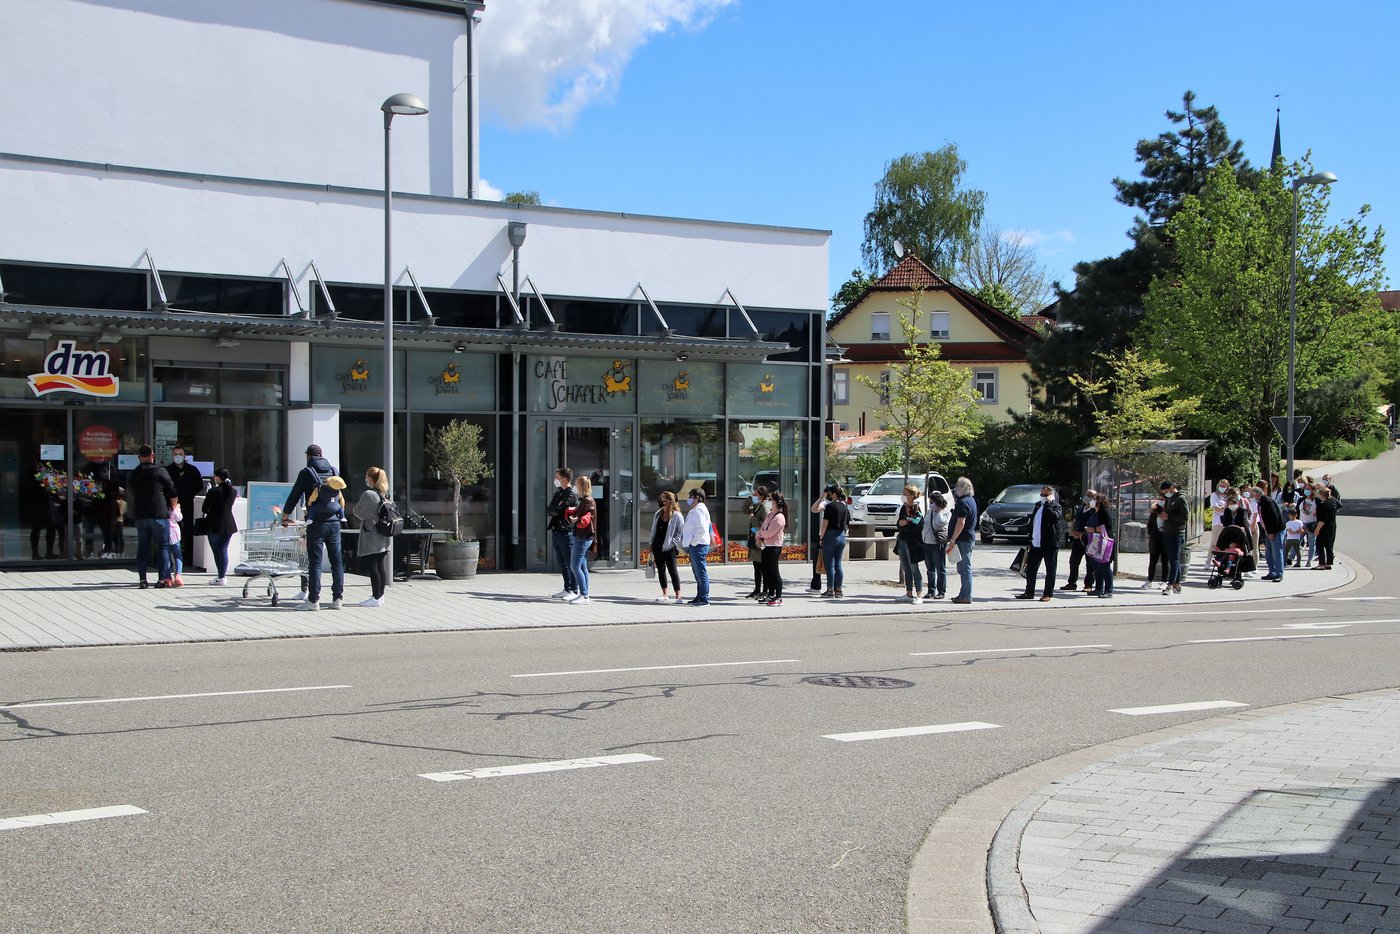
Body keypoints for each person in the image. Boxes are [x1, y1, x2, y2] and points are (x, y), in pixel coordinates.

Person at [282, 444, 346, 611]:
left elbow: (294, 495)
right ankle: (338, 599)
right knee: (337, 562)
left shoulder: (306, 473)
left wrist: (285, 515)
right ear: (321, 455)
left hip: (316, 523)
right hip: (334, 522)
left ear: (308, 456)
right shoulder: (333, 471)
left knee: (315, 563)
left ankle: (313, 601)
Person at [128, 444, 177, 589]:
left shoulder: (135, 473)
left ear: (139, 458)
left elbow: (131, 490)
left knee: (143, 548)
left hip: (141, 516)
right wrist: (174, 507)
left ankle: (143, 579)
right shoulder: (160, 471)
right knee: (162, 546)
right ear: (153, 455)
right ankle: (162, 579)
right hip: (159, 515)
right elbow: (172, 491)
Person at [352, 466, 393, 607]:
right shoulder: (383, 493)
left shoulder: (369, 495)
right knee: (380, 566)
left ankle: (376, 597)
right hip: (383, 535)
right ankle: (380, 596)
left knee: (373, 566)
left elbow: (357, 511)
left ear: (370, 478)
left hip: (372, 535)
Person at [1017, 483, 1061, 601]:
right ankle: (1029, 592)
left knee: (1050, 570)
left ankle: (1047, 594)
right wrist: (1029, 538)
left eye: (1045, 494)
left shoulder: (1056, 506)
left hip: (1049, 544)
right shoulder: (1038, 506)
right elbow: (1033, 523)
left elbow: (1054, 517)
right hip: (1035, 543)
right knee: (1031, 569)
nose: (1043, 496)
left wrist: (1049, 504)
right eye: (1041, 494)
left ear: (1051, 495)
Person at [165, 445, 203, 569]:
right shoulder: (167, 470)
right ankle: (172, 559)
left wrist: (190, 494)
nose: (177, 456)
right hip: (172, 506)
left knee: (188, 530)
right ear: (172, 455)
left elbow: (199, 485)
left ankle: (189, 557)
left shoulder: (192, 470)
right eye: (175, 454)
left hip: (188, 505)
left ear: (185, 456)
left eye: (180, 454)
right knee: (173, 532)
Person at [546, 467, 580, 600]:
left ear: (564, 479)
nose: (556, 480)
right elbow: (550, 509)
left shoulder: (570, 494)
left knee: (570, 562)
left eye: (557, 478)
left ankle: (574, 590)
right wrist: (555, 509)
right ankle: (567, 588)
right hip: (557, 530)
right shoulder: (559, 492)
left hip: (566, 532)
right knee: (562, 562)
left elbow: (559, 510)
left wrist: (555, 509)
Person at [202, 467, 238, 586]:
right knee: (223, 549)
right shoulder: (233, 491)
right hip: (229, 523)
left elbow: (204, 508)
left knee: (217, 550)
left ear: (218, 477)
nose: (214, 478)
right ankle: (222, 576)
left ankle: (221, 576)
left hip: (214, 524)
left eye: (215, 476)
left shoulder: (213, 491)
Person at [945, 477, 978, 604]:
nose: (956, 489)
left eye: (958, 487)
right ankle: (963, 594)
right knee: (963, 568)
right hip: (967, 539)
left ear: (963, 488)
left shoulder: (963, 502)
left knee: (964, 568)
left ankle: (966, 595)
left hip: (963, 540)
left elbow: (961, 523)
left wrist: (953, 538)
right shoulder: (971, 501)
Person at [566, 475, 597, 605]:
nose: (575, 487)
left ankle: (584, 595)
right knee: (582, 566)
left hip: (582, 537)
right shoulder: (586, 500)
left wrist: (575, 518)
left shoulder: (587, 501)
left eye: (577, 484)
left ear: (581, 486)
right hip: (583, 536)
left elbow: (584, 518)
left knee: (575, 566)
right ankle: (584, 594)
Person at [648, 490, 684, 604]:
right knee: (661, 570)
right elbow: (654, 529)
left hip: (669, 547)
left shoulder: (677, 515)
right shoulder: (658, 513)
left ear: (669, 501)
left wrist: (674, 542)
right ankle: (665, 594)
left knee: (673, 571)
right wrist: (651, 544)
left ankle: (678, 596)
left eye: (663, 499)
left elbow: (681, 531)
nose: (660, 501)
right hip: (657, 545)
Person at [1060, 491, 1098, 593]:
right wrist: (1073, 531)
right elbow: (1075, 521)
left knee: (1090, 563)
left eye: (1090, 496)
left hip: (1088, 540)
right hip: (1077, 540)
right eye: (1087, 495)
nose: (1087, 497)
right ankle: (1072, 583)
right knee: (1073, 561)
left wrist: (1083, 534)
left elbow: (1094, 525)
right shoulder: (1081, 509)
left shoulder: (1095, 510)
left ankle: (1088, 584)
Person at [815, 484, 849, 598]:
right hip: (841, 536)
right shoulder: (845, 506)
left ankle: (830, 590)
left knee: (830, 565)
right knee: (838, 565)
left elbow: (825, 524)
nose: (829, 495)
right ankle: (838, 590)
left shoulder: (830, 507)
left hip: (830, 536)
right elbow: (847, 523)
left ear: (834, 494)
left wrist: (821, 537)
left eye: (830, 493)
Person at [680, 488, 712, 606]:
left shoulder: (699, 510)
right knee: (697, 573)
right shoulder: (697, 509)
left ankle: (704, 599)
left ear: (697, 497)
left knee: (701, 572)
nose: (689, 499)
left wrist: (693, 542)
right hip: (696, 544)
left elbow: (702, 528)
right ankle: (699, 597)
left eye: (691, 496)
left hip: (698, 544)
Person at [756, 491, 788, 606]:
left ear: (776, 502)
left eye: (770, 500)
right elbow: (762, 529)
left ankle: (778, 597)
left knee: (774, 572)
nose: (768, 502)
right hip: (766, 546)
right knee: (766, 572)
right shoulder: (770, 515)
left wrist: (759, 535)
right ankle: (770, 594)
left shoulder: (779, 517)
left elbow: (769, 533)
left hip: (774, 547)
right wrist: (759, 535)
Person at [895, 485, 924, 604]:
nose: (903, 496)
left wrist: (906, 523)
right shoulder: (903, 508)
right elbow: (899, 522)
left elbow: (919, 525)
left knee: (914, 568)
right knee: (906, 568)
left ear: (911, 495)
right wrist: (902, 523)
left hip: (913, 542)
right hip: (902, 539)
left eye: (905, 493)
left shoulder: (917, 508)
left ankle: (919, 594)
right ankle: (908, 593)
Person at [1160, 480, 1189, 596]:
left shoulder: (1181, 499)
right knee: (1172, 559)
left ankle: (1170, 585)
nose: (1166, 493)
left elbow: (1185, 516)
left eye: (1166, 491)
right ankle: (1177, 584)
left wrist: (1169, 517)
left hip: (1176, 533)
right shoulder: (1171, 499)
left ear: (1172, 488)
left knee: (1174, 560)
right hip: (1168, 532)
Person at [921, 489, 951, 600]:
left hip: (937, 544)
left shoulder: (946, 512)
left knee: (940, 568)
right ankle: (931, 590)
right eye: (930, 502)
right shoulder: (929, 512)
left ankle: (941, 591)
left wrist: (938, 511)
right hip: (927, 542)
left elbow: (939, 524)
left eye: (932, 502)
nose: (930, 504)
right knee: (930, 569)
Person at [1084, 491, 1114, 598]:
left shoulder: (1104, 512)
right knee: (1096, 566)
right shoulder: (1095, 512)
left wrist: (1094, 529)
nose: (1092, 501)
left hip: (1103, 543)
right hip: (1094, 542)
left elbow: (1108, 525)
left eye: (1094, 499)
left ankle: (1109, 590)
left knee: (1104, 566)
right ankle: (1098, 588)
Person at [1257, 481, 1286, 582]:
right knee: (1268, 553)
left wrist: (1271, 532)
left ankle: (1279, 573)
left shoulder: (1267, 502)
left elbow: (1274, 518)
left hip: (1275, 530)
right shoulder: (1260, 502)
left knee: (1277, 552)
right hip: (1268, 530)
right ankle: (1272, 572)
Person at [744, 486, 770, 600]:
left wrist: (753, 518)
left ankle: (765, 590)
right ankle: (757, 590)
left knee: (763, 567)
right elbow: (744, 510)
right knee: (756, 566)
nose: (754, 496)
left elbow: (764, 525)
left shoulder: (764, 507)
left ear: (762, 496)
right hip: (754, 537)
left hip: (761, 540)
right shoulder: (756, 505)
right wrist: (749, 500)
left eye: (756, 495)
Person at [1142, 495, 1165, 589]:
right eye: (1159, 499)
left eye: (1162, 499)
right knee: (1152, 561)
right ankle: (1149, 580)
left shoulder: (1169, 511)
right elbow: (1149, 524)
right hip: (1155, 539)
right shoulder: (1154, 511)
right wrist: (1151, 533)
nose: (1160, 501)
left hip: (1165, 539)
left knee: (1165, 561)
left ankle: (1164, 581)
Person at [1313, 486, 1338, 571]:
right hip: (1332, 525)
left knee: (1320, 544)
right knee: (1329, 545)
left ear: (1322, 495)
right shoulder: (1332, 502)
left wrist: (1317, 529)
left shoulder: (1323, 505)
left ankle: (1321, 563)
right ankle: (1329, 562)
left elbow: (1322, 519)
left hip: (1324, 527)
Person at [161, 502, 184, 588]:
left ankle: (167, 578)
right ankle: (178, 575)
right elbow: (179, 518)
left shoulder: (161, 506)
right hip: (175, 535)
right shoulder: (173, 507)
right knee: (178, 556)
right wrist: (177, 509)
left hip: (164, 533)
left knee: (166, 558)